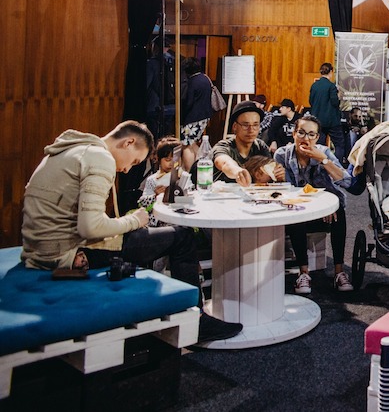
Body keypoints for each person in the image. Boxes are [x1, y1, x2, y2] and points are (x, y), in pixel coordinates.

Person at [20, 120, 243, 342]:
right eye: (134, 161)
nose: (127, 169)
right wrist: (134, 221)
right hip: (64, 257)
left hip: (37, 250)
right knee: (182, 237)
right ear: (128, 142)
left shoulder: (72, 149)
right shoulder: (100, 158)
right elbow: (90, 227)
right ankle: (198, 322)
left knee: (149, 238)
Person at [274, 115, 355, 293]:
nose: (306, 138)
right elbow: (286, 193)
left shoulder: (323, 152)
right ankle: (304, 274)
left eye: (311, 134)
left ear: (317, 137)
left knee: (339, 212)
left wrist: (323, 160)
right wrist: (277, 179)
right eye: (301, 133)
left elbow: (347, 181)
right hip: (297, 209)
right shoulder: (282, 155)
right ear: (294, 134)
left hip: (324, 211)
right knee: (296, 215)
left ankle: (339, 272)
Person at [212, 101, 285, 184]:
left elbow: (267, 175)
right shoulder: (224, 146)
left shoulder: (260, 146)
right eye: (245, 125)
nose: (251, 130)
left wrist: (277, 175)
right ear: (235, 126)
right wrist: (237, 171)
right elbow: (224, 163)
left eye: (255, 125)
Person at [137, 137, 194, 225]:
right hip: (159, 218)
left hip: (179, 216)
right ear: (159, 159)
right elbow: (143, 204)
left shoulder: (183, 176)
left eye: (175, 160)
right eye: (167, 160)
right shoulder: (152, 180)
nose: (171, 163)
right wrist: (155, 195)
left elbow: (192, 195)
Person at [309, 63, 349, 160]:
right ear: (331, 72)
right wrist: (339, 96)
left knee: (319, 145)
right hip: (332, 121)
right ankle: (336, 165)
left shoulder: (314, 85)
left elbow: (310, 101)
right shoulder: (331, 86)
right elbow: (335, 102)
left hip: (317, 121)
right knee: (339, 145)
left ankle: (319, 164)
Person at [179, 57, 213, 173]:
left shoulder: (192, 82)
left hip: (193, 118)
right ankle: (200, 167)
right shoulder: (205, 78)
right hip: (204, 116)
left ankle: (190, 172)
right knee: (192, 143)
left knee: (186, 145)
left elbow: (188, 102)